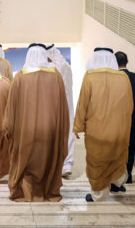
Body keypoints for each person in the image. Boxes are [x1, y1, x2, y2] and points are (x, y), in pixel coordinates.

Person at [3, 43, 69, 202]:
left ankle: (26, 191)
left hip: (25, 130)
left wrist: (8, 128)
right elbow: (62, 107)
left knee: (26, 161)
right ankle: (47, 191)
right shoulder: (56, 76)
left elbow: (11, 107)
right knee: (47, 159)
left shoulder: (20, 76)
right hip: (50, 128)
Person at [74, 48, 133, 202]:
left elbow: (83, 104)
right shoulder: (123, 78)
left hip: (96, 131)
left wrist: (77, 126)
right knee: (117, 157)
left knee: (97, 162)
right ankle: (118, 183)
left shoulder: (90, 77)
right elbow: (129, 106)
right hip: (119, 129)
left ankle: (99, 195)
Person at [47, 44, 75, 177]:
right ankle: (67, 164)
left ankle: (53, 165)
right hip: (66, 104)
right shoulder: (65, 66)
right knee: (67, 134)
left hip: (50, 105)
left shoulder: (47, 69)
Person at [115, 51, 135, 184]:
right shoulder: (134, 77)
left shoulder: (113, 78)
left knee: (117, 148)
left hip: (117, 119)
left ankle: (117, 178)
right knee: (131, 148)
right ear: (127, 62)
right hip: (133, 118)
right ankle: (128, 177)